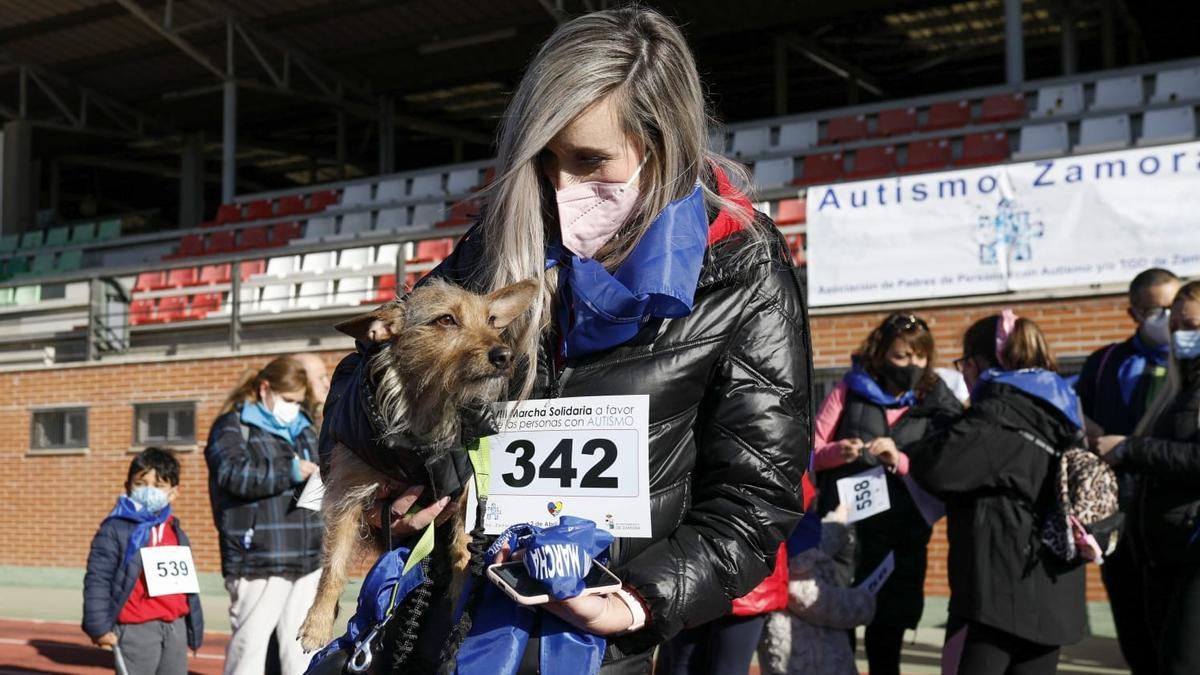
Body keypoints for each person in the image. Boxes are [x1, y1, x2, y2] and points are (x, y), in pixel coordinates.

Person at [319, 7, 812, 673]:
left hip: (596, 648)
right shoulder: (494, 245)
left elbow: (757, 497)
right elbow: (356, 387)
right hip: (446, 628)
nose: (560, 188)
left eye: (589, 160)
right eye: (545, 159)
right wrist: (426, 457)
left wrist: (636, 601)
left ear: (661, 143)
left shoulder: (745, 268)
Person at [907, 311, 1087, 675]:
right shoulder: (1065, 405)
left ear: (980, 363)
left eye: (964, 364)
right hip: (1053, 591)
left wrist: (936, 419)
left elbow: (936, 468)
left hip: (995, 594)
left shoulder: (998, 412)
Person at [810, 312, 962, 675]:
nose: (912, 365)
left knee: (887, 642)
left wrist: (901, 461)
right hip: (845, 536)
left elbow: (948, 467)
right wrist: (837, 452)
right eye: (901, 356)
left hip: (902, 539)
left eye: (919, 357)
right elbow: (811, 450)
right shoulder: (849, 388)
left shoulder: (939, 403)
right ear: (881, 354)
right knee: (837, 638)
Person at [1074, 267, 1180, 675]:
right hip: (1119, 509)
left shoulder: (1191, 363)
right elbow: (1079, 417)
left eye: (1175, 307)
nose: (1168, 319)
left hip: (1176, 512)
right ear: (1134, 312)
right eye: (1157, 310)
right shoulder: (1106, 363)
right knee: (1132, 618)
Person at [1094, 280, 1200, 675]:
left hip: (1191, 542)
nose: (1182, 337)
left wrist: (1131, 449)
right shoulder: (1179, 384)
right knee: (1150, 652)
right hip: (1157, 543)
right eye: (1177, 327)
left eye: (1192, 326)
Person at [205, 355, 323, 675]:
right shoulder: (232, 426)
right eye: (287, 400)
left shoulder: (304, 429)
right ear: (264, 389)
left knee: (303, 653)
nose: (292, 407)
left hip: (307, 556)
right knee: (250, 650)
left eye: (298, 402)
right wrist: (291, 470)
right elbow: (232, 473)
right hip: (258, 557)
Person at [83, 448, 204, 674]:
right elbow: (98, 579)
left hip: (174, 627)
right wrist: (97, 626)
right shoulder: (114, 529)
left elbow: (188, 589)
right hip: (135, 628)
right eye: (141, 483)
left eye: (158, 486)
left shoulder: (176, 532)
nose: (149, 491)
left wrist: (193, 628)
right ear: (128, 486)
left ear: (173, 493)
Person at [757, 505, 876, 675]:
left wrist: (839, 519)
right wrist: (864, 604)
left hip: (821, 655)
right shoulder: (795, 546)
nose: (817, 490)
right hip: (805, 660)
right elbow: (811, 598)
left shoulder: (799, 528)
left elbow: (821, 539)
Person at [294, 352, 331, 426]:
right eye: (320, 378)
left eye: (326, 376)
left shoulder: (315, 414)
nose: (327, 384)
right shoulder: (292, 421)